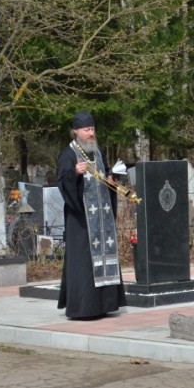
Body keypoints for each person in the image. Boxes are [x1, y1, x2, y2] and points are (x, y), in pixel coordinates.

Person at [56, 111, 126, 319]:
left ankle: (105, 305)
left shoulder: (98, 151)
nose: (90, 133)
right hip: (81, 219)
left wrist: (111, 181)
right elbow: (62, 182)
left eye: (92, 129)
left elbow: (104, 176)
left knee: (105, 258)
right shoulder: (68, 154)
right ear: (76, 131)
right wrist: (74, 174)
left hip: (102, 219)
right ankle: (84, 308)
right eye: (87, 130)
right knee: (84, 264)